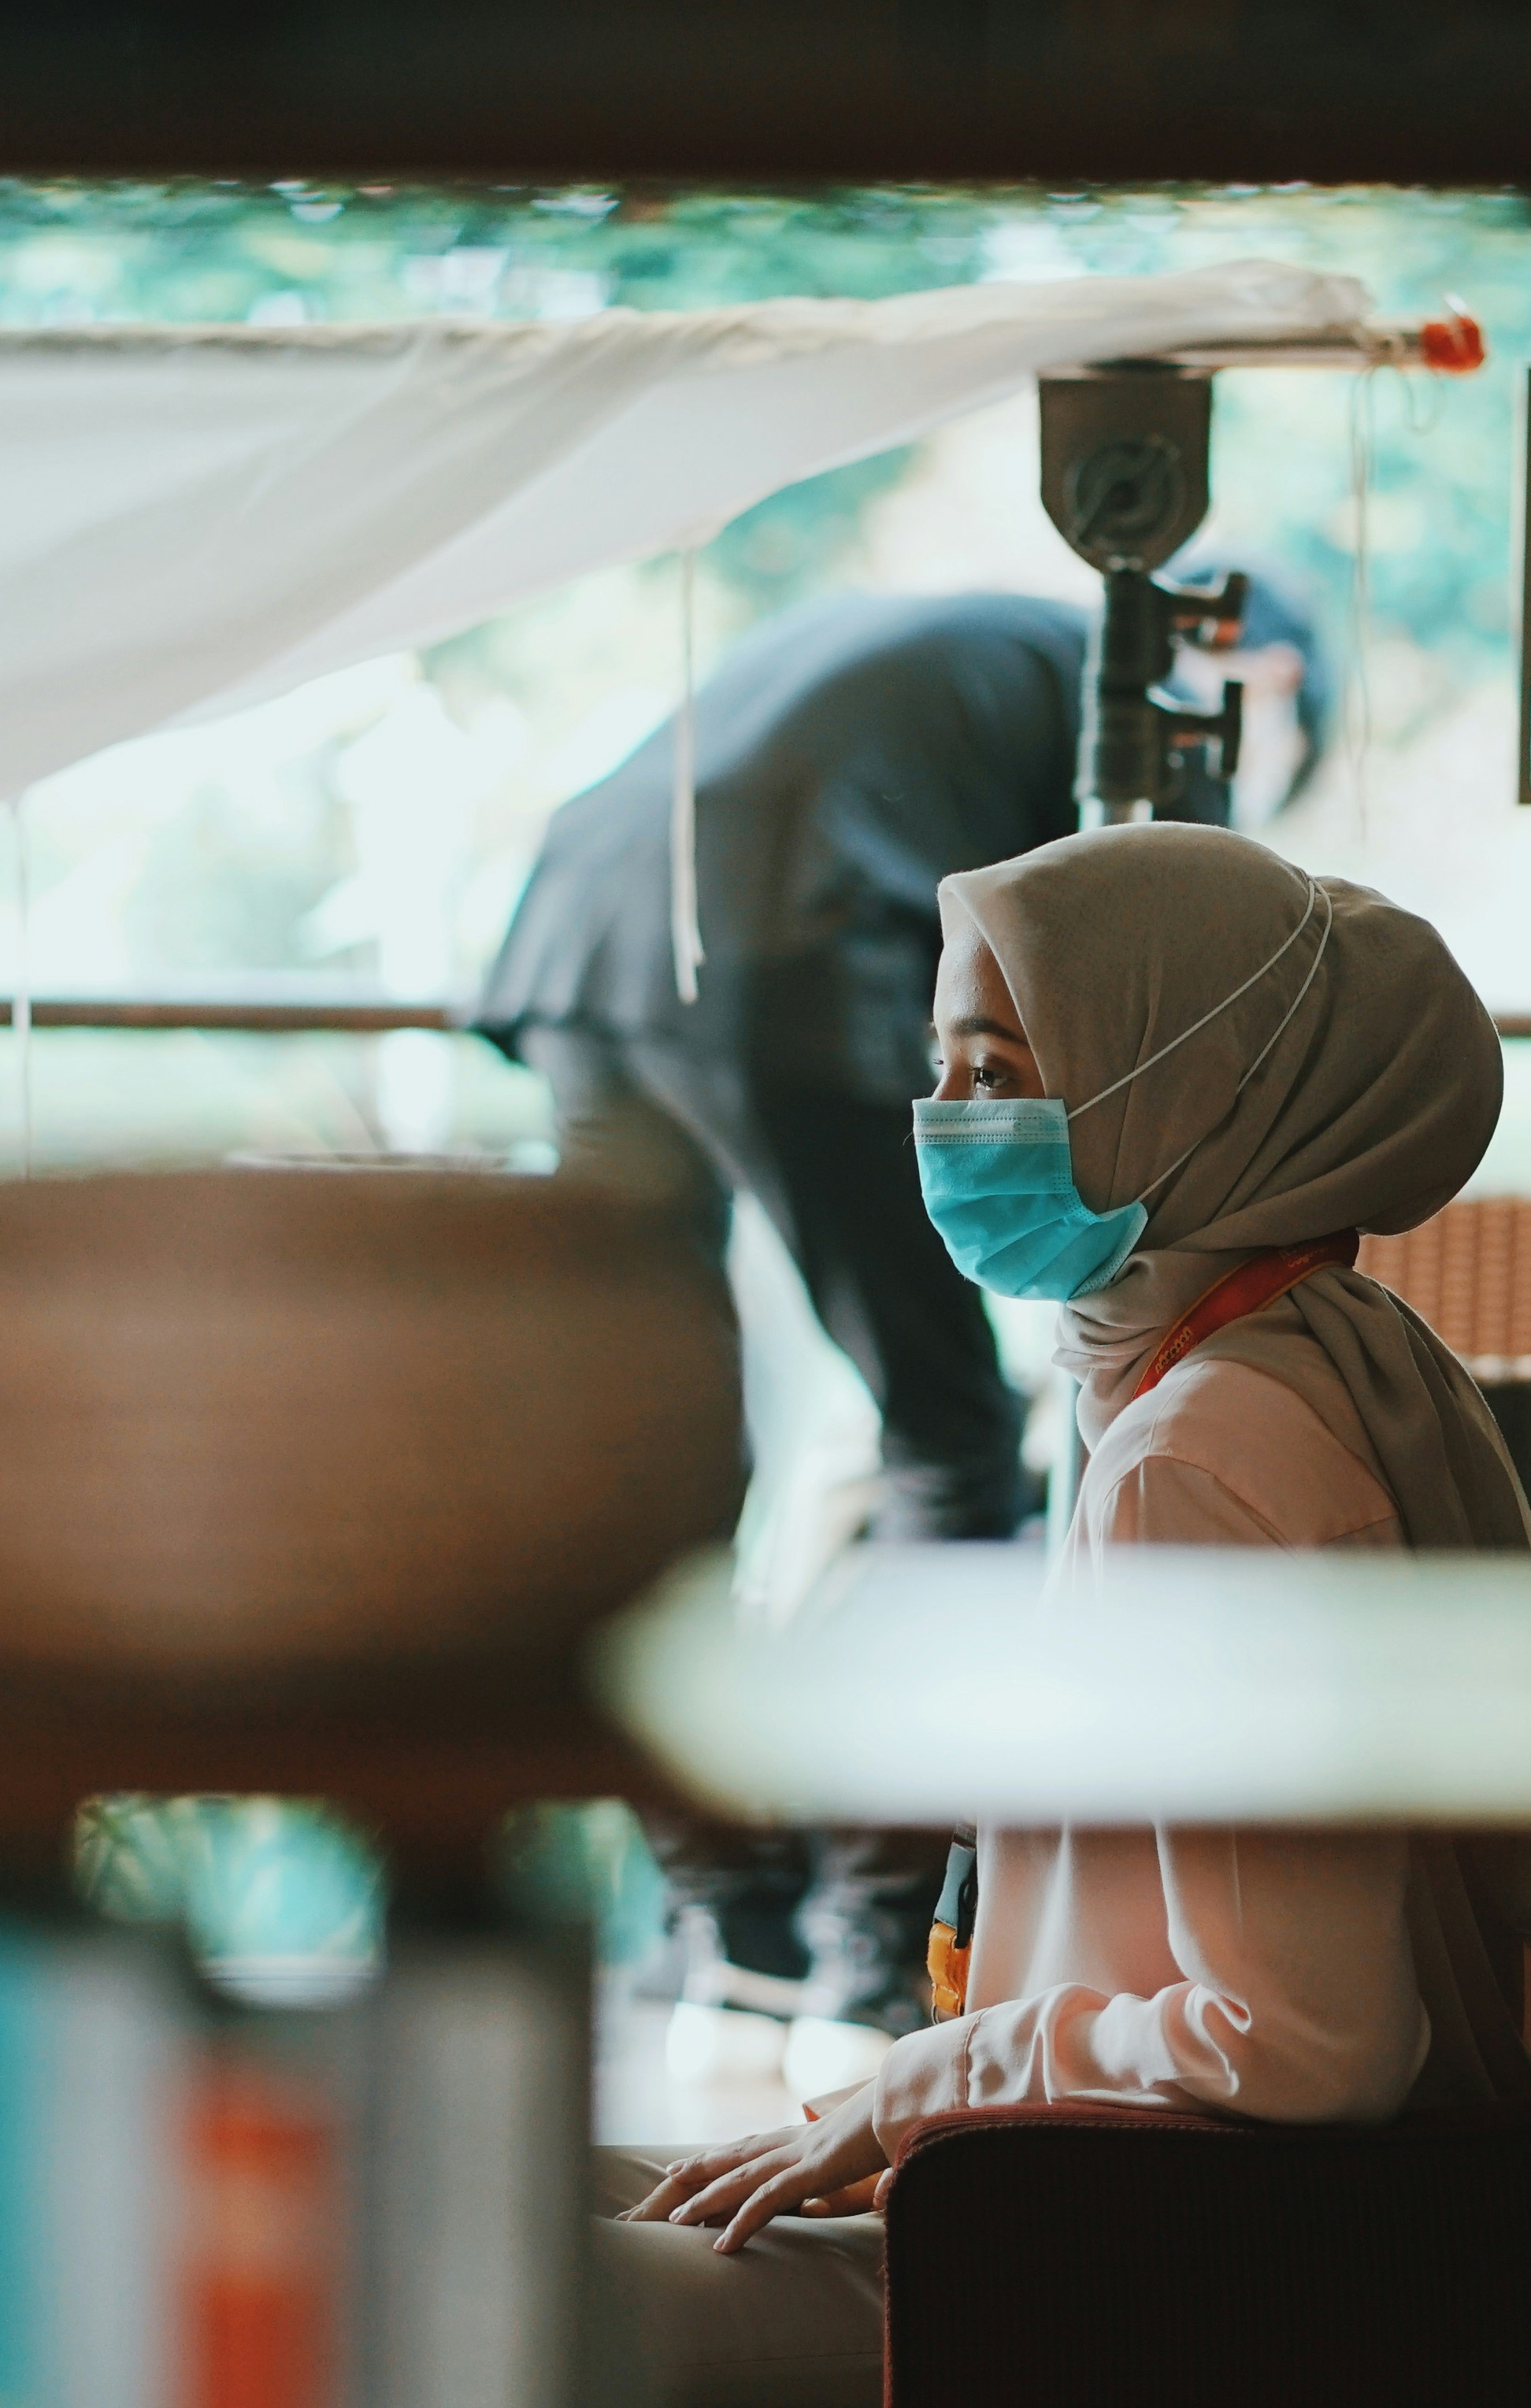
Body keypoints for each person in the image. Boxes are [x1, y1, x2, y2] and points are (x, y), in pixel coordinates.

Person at [595, 820, 1531, 2407]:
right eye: (942, 1069)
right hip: (1125, 2198)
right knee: (577, 2187)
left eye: (999, 1071)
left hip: (1160, 2266)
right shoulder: (1322, 1350)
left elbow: (1308, 2042)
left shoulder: (1200, 1458)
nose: (944, 1124)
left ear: (1183, 1086)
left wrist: (926, 2076)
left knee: (468, 2284)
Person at [473, 577, 1318, 2064]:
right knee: (951, 1439)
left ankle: (723, 1923)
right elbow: (1124, 973)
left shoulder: (975, 643)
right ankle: (872, 1953)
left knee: (658, 1461)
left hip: (585, 952)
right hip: (785, 945)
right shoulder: (1115, 689)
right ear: (1254, 667)